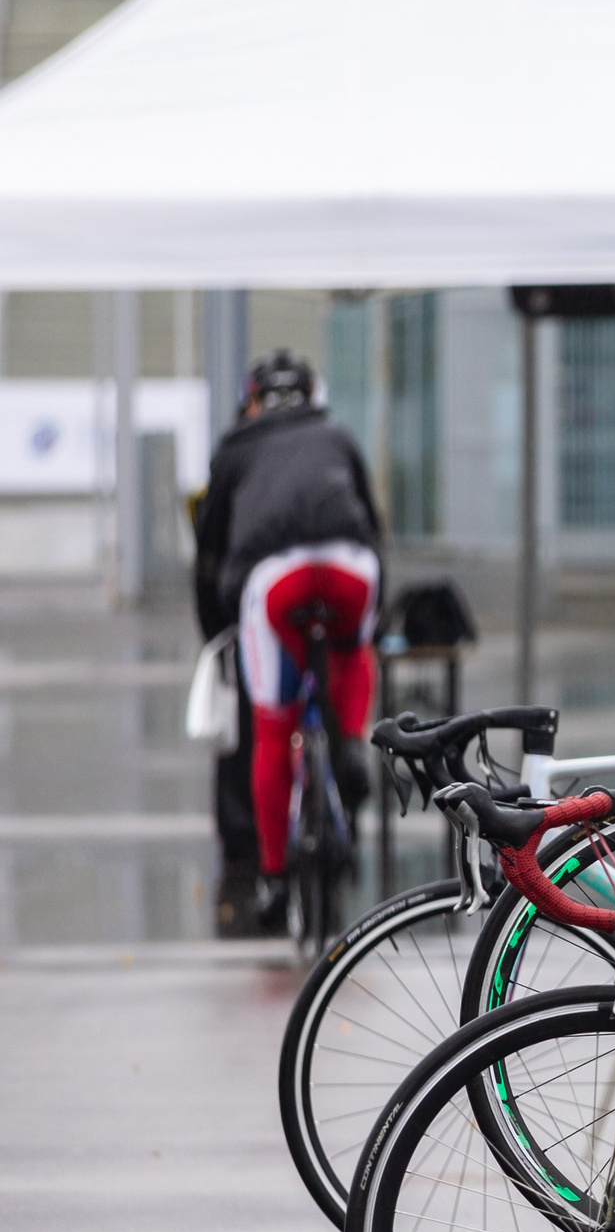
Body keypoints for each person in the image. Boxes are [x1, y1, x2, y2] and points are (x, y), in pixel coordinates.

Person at [192, 349, 384, 931]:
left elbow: (209, 556)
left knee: (273, 726)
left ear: (251, 400)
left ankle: (274, 877)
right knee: (352, 652)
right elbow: (373, 529)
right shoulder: (339, 436)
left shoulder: (234, 447)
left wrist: (216, 633)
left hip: (275, 580)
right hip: (352, 568)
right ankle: (349, 743)